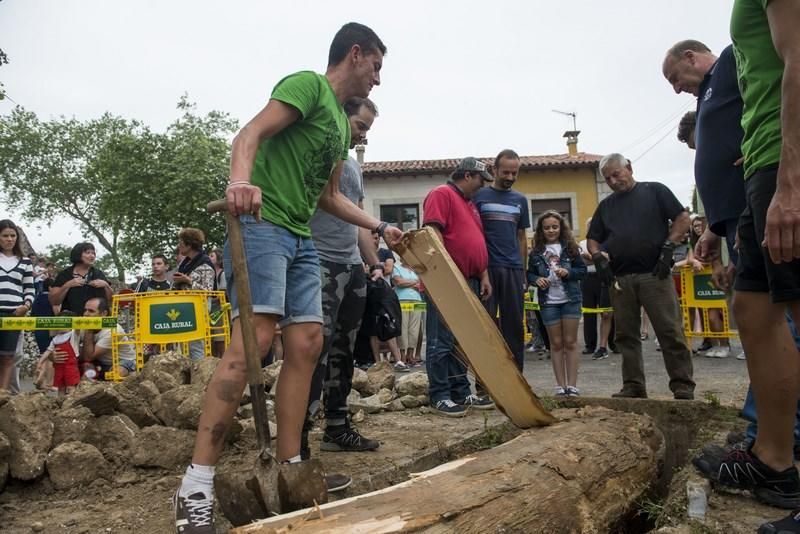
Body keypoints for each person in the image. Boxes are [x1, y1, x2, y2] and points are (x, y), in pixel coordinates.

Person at [175, 22, 402, 533]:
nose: (378, 80)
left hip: (302, 238)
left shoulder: (343, 130)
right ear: (356, 53)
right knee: (252, 341)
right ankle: (196, 484)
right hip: (261, 227)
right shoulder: (307, 86)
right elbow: (249, 134)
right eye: (377, 67)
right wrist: (240, 181)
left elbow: (329, 197)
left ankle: (290, 467)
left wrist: (380, 225)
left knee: (307, 344)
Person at [690, 3, 800, 529]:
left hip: (786, 163)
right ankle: (774, 462)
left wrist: (792, 179)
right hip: (761, 165)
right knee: (753, 311)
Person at [302, 96, 383, 470]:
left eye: (367, 129)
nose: (363, 135)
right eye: (360, 126)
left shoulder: (354, 167)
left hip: (351, 267)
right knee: (312, 352)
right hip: (319, 261)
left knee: (343, 352)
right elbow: (327, 201)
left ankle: (337, 427)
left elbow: (358, 219)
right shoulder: (320, 153)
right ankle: (297, 436)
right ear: (342, 116)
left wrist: (375, 265)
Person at [587, 153, 695, 400]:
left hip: (654, 273)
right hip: (620, 278)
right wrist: (597, 256)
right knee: (626, 336)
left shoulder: (655, 191)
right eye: (608, 178)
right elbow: (593, 238)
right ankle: (634, 385)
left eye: (617, 174)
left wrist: (669, 245)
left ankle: (682, 384)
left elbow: (682, 217)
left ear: (629, 168)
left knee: (669, 330)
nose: (613, 181)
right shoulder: (606, 206)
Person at [422, 157, 495, 417]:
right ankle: (440, 394)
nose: (482, 186)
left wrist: (483, 274)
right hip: (446, 280)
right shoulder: (442, 194)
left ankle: (461, 392)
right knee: (440, 340)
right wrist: (447, 272)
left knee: (460, 341)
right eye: (480, 180)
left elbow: (477, 242)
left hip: (470, 278)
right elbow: (433, 232)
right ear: (466, 175)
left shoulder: (470, 205)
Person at [473, 149, 530, 371]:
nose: (510, 177)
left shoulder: (520, 200)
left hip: (513, 270)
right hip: (485, 269)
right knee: (484, 325)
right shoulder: (479, 197)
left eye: (514, 173)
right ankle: (484, 382)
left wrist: (523, 271)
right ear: (494, 170)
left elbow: (522, 237)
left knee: (515, 326)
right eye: (505, 172)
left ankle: (517, 377)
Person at [528, 211, 586, 396]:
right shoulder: (536, 252)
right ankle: (561, 386)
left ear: (561, 228)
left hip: (570, 300)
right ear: (541, 230)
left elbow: (582, 270)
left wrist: (568, 273)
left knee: (570, 342)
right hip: (548, 302)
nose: (551, 230)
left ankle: (573, 386)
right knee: (556, 344)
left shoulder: (570, 248)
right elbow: (529, 274)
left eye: (555, 226)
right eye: (547, 227)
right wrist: (536, 279)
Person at [0, 220, 34, 392]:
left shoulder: (25, 261)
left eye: (12, 235)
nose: (9, 239)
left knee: (8, 356)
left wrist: (26, 305)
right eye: (5, 235)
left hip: (15, 312)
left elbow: (29, 287)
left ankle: (3, 394)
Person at [173, 228, 216, 361]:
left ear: (190, 244)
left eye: (181, 242)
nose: (179, 245)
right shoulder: (185, 263)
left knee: (196, 344)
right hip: (184, 307)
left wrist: (188, 281)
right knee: (183, 343)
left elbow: (208, 290)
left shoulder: (205, 263)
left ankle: (199, 374)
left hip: (198, 308)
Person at [579, 217, 616, 360]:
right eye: (589, 225)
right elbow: (584, 259)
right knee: (589, 312)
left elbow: (608, 258)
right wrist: (598, 257)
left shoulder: (608, 241)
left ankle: (609, 344)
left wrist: (592, 256)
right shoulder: (583, 243)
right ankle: (591, 345)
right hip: (588, 278)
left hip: (606, 278)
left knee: (607, 313)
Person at [77, 297, 136, 379]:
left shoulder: (113, 330)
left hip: (122, 361)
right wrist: (53, 356)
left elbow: (88, 357)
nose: (86, 314)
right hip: (99, 362)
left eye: (91, 311)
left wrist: (89, 330)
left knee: (117, 373)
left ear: (104, 313)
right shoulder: (83, 323)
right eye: (85, 310)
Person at [49, 242, 112, 315]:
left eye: (93, 253)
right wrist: (67, 285)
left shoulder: (98, 274)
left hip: (95, 321)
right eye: (88, 253)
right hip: (72, 320)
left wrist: (106, 285)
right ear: (78, 254)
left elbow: (111, 300)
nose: (92, 256)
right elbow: (54, 301)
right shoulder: (64, 275)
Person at [37, 310, 81, 397]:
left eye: (64, 322)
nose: (61, 325)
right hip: (59, 366)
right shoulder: (55, 338)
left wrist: (77, 320)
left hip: (70, 365)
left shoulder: (73, 334)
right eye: (59, 322)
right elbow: (48, 351)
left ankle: (71, 402)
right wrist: (40, 362)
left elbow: (78, 327)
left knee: (71, 386)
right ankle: (60, 402)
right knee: (61, 386)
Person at [391, 259, 423, 366]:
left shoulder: (417, 270)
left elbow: (422, 285)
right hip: (402, 300)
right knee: (403, 328)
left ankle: (411, 355)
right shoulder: (397, 268)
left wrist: (406, 282)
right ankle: (403, 356)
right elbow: (399, 282)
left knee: (415, 329)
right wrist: (415, 282)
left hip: (418, 300)